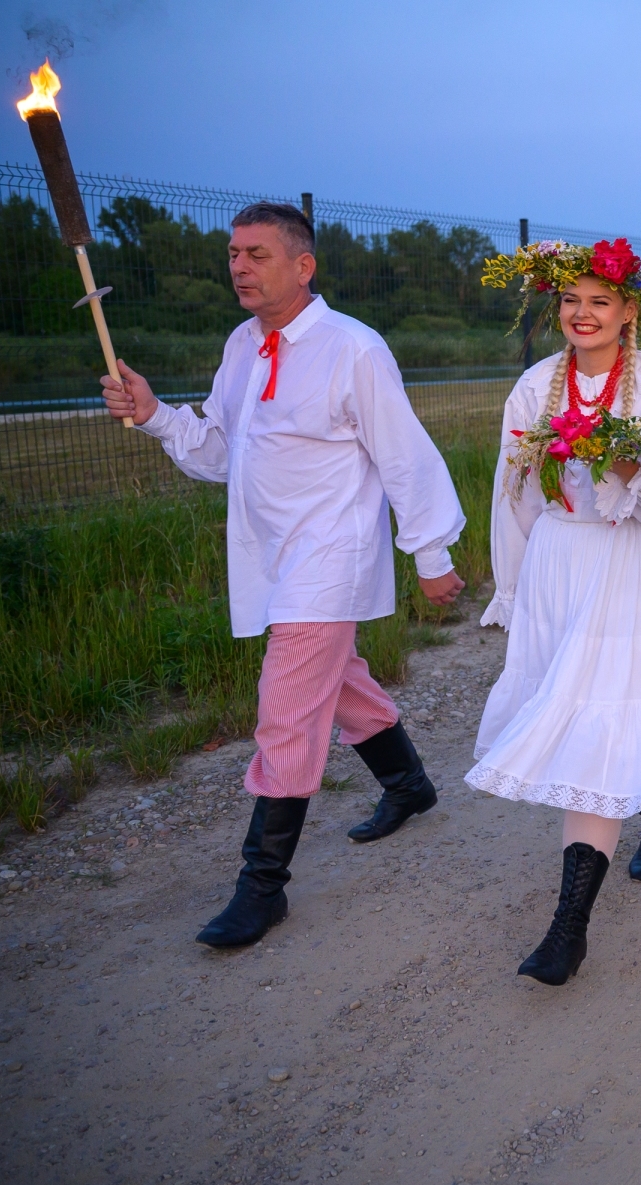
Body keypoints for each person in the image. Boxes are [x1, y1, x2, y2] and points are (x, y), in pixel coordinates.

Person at [99, 202, 466, 948]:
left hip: (331, 557)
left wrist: (431, 555)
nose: (239, 266)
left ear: (303, 266)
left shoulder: (353, 348)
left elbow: (405, 455)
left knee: (287, 708)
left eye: (257, 254)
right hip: (270, 556)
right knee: (335, 679)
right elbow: (221, 452)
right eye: (233, 254)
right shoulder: (241, 345)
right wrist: (157, 413)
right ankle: (407, 784)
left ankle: (261, 888)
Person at [468, 239, 641, 985]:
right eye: (571, 301)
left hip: (636, 567)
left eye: (600, 301)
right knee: (586, 713)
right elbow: (514, 495)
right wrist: (514, 589)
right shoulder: (534, 387)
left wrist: (633, 469)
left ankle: (568, 929)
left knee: (608, 715)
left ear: (629, 310)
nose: (583, 314)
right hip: (561, 564)